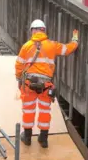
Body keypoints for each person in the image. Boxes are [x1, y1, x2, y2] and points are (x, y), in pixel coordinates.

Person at [15, 19, 79, 148]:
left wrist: (18, 79)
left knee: (28, 110)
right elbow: (68, 49)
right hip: (46, 85)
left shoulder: (26, 46)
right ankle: (43, 139)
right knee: (45, 110)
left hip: (29, 84)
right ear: (44, 30)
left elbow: (19, 65)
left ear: (33, 31)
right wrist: (75, 39)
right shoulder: (52, 45)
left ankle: (27, 137)